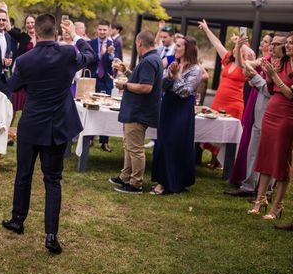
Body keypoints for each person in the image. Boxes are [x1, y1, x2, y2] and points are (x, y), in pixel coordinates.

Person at [1, 16, 95, 254]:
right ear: (55, 32)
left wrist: (7, 70)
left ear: (37, 34)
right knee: (52, 180)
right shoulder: (68, 54)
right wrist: (74, 35)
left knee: (23, 174)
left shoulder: (24, 60)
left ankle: (18, 220)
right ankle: (51, 235)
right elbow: (90, 54)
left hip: (32, 126)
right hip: (56, 127)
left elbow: (12, 86)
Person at [109, 30, 163, 194]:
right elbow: (141, 81)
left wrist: (123, 85)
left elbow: (146, 87)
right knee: (129, 146)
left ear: (139, 43)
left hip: (139, 111)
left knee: (136, 149)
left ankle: (136, 184)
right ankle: (125, 176)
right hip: (136, 110)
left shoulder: (149, 61)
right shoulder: (152, 58)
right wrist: (126, 72)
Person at [198, 19, 255, 168]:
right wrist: (206, 29)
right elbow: (217, 44)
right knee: (212, 128)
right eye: (235, 48)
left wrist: (241, 42)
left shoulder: (246, 65)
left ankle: (221, 161)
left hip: (234, 103)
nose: (234, 50)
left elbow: (252, 54)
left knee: (227, 132)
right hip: (219, 100)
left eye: (238, 49)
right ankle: (213, 158)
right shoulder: (228, 61)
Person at [248, 33, 293, 220]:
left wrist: (274, 76)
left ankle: (277, 206)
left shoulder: (280, 68)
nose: (288, 46)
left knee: (281, 160)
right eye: (288, 43)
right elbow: (270, 88)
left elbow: (290, 95)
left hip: (287, 115)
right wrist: (269, 75)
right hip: (271, 112)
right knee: (265, 156)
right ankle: (260, 201)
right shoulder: (280, 63)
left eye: (291, 43)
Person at [150, 36, 202, 194]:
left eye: (178, 46)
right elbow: (162, 86)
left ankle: (170, 181)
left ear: (188, 49)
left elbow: (186, 92)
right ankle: (163, 179)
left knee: (174, 142)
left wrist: (177, 76)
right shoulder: (175, 64)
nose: (175, 48)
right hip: (168, 106)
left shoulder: (196, 70)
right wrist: (169, 76)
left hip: (182, 109)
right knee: (163, 141)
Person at [227, 32, 275, 190]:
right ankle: (249, 183)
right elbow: (244, 66)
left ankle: (263, 187)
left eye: (268, 42)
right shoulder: (263, 60)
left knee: (267, 148)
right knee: (253, 141)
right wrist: (240, 47)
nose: (264, 43)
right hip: (257, 98)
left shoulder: (277, 63)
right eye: (266, 41)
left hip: (268, 102)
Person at [88, 19, 121, 152]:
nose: (102, 32)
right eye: (100, 29)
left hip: (106, 80)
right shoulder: (90, 43)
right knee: (90, 109)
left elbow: (117, 62)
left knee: (106, 109)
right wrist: (100, 55)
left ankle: (104, 141)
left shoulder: (115, 43)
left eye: (104, 29)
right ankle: (89, 138)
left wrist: (109, 55)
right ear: (97, 30)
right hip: (92, 78)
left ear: (109, 30)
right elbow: (88, 59)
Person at [10, 15, 37, 113]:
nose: (30, 25)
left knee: (30, 105)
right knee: (14, 104)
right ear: (25, 25)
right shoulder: (22, 37)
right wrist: (5, 11)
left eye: (32, 22)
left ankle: (25, 127)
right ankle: (7, 126)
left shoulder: (41, 38)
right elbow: (9, 29)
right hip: (21, 73)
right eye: (28, 23)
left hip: (35, 75)